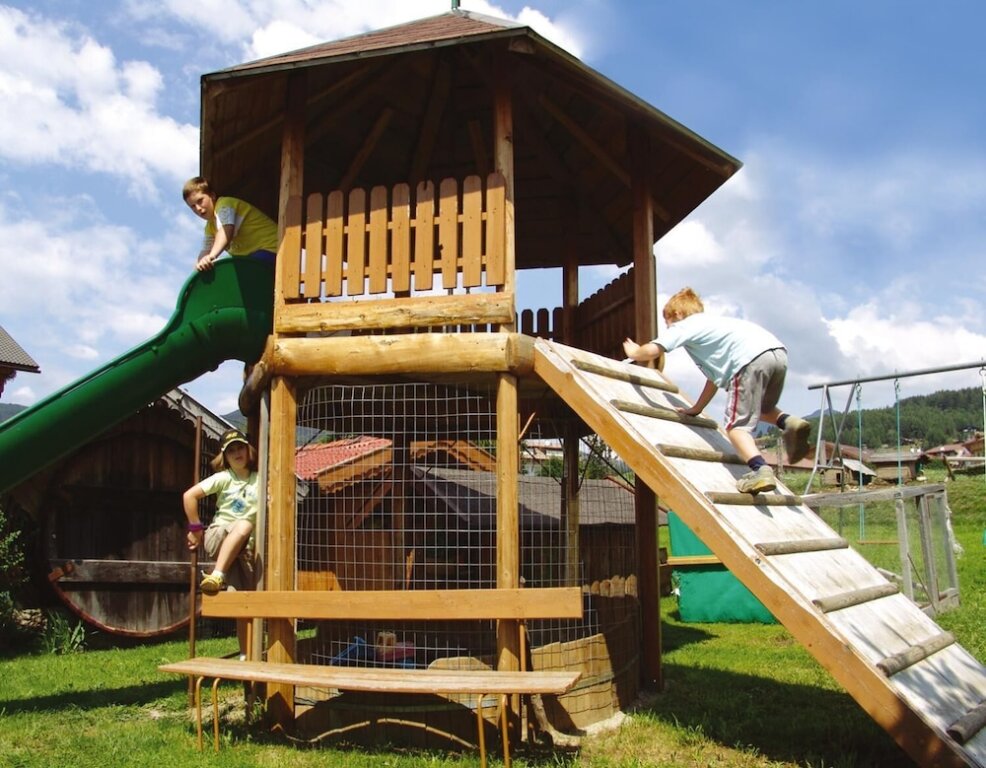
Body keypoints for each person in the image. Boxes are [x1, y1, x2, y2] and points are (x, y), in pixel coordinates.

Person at [623, 287, 810, 495]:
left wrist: (635, 352)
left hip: (747, 361)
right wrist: (696, 408)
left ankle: (760, 470)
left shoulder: (685, 325)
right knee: (762, 409)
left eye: (667, 321)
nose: (668, 327)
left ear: (677, 314)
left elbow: (654, 349)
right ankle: (790, 422)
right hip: (776, 354)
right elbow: (713, 380)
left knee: (736, 428)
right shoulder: (715, 326)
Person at [183, 428, 260, 656]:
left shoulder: (260, 479)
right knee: (244, 524)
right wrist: (196, 529)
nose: (237, 453)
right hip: (218, 536)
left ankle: (246, 655)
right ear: (225, 456)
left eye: (240, 448)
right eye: (231, 450)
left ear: (248, 450)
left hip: (242, 550)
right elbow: (189, 496)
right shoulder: (224, 478)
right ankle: (217, 575)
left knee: (243, 602)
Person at [182, 177, 278, 272]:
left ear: (212, 196)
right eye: (193, 206)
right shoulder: (209, 227)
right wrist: (200, 265)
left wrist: (211, 256)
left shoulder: (224, 205)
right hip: (253, 259)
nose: (198, 208)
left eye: (200, 201)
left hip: (272, 248)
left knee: (243, 273)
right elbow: (205, 250)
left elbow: (225, 230)